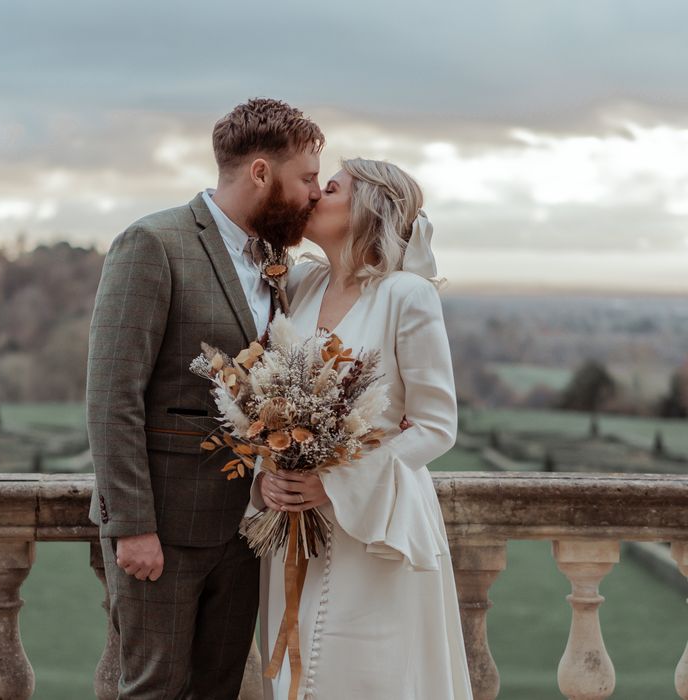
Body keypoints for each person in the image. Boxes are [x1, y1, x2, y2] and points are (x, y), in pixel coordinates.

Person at [86, 98, 324, 699]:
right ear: (261, 173)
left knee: (218, 690)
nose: (314, 194)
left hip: (246, 530)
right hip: (163, 530)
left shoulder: (274, 260)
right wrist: (133, 526)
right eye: (307, 179)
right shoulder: (152, 243)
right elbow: (113, 396)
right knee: (153, 689)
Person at [249, 158, 474, 699]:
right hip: (293, 528)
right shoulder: (300, 284)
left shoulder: (406, 295)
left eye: (329, 188)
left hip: (374, 525)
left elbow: (437, 426)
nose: (312, 198)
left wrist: (337, 481)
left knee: (368, 674)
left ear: (367, 208)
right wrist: (268, 475)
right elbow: (266, 398)